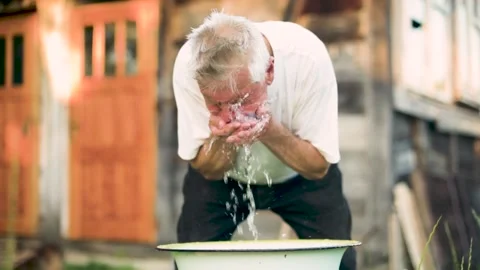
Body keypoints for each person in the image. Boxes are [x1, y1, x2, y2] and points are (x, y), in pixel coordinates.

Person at [172, 11, 356, 270]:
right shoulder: (189, 66)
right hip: (225, 182)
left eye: (240, 100)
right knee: (191, 261)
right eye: (216, 103)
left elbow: (318, 167)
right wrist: (223, 137)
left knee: (339, 262)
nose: (229, 113)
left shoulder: (308, 58)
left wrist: (268, 129)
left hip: (300, 177)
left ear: (269, 71)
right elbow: (207, 169)